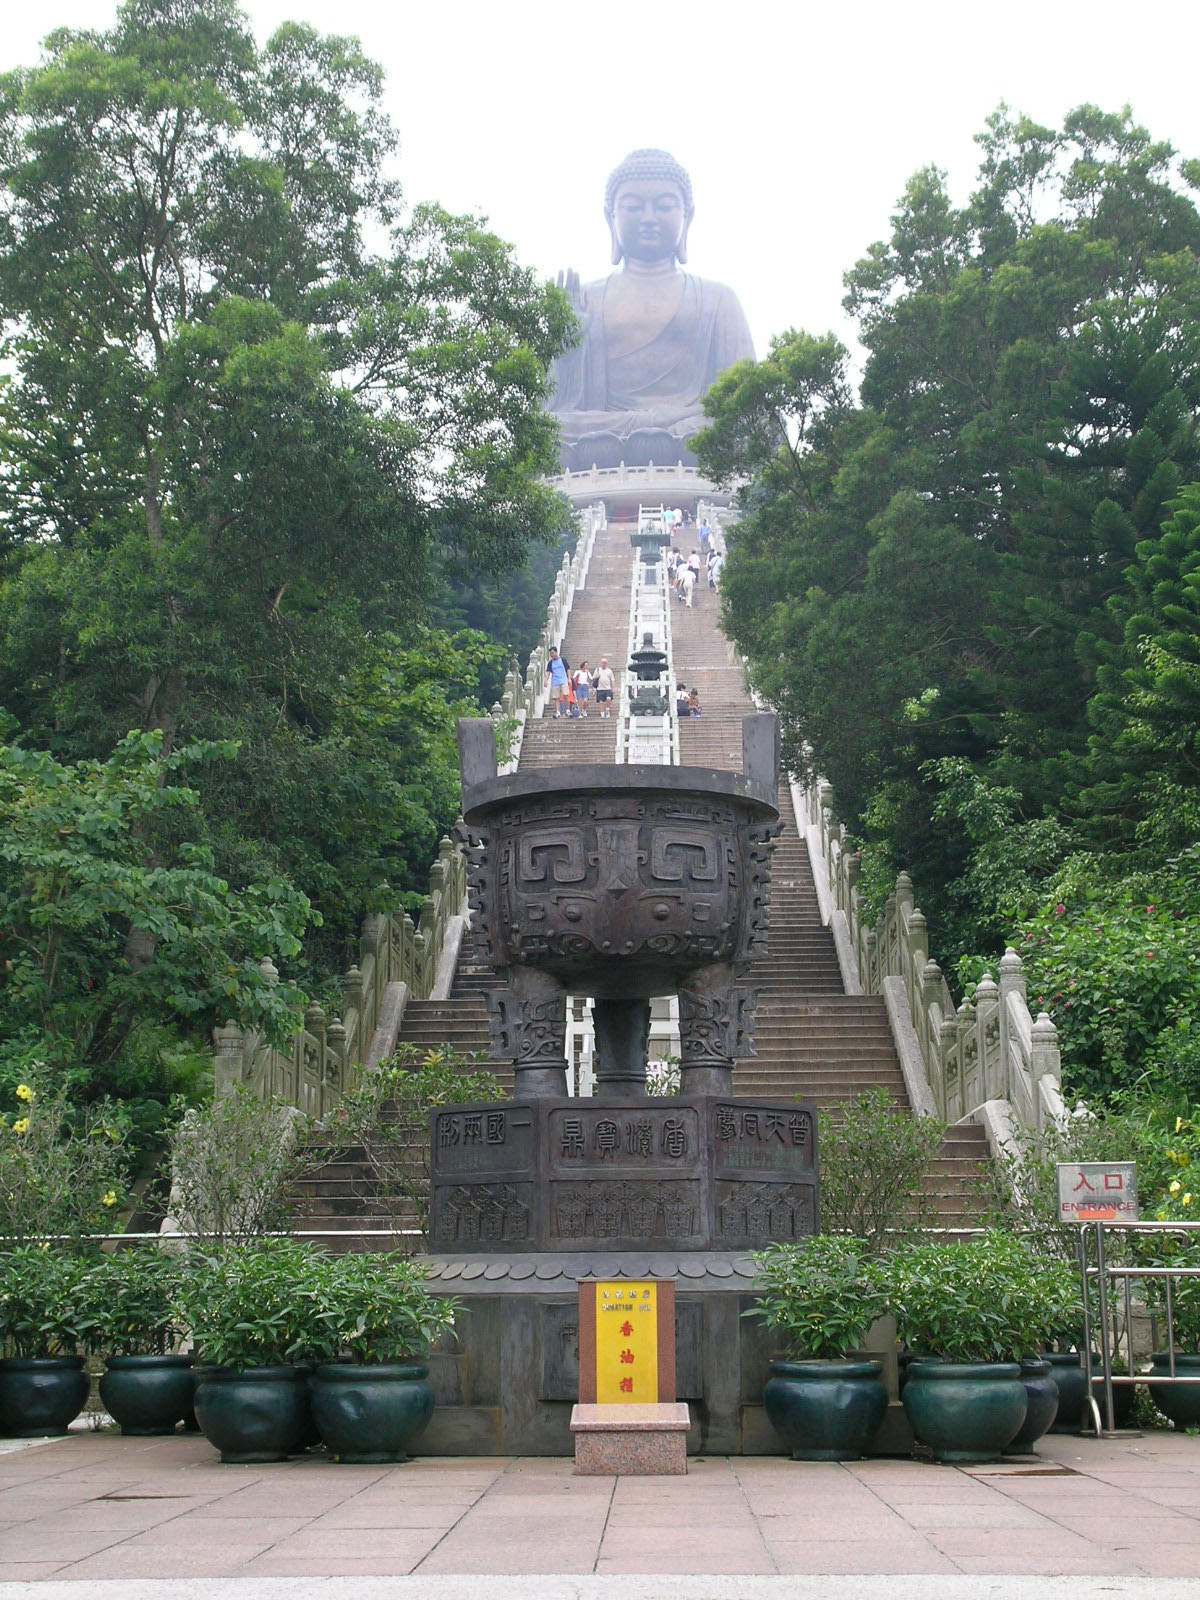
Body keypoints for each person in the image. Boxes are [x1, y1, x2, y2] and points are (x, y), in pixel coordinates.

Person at [548, 149, 755, 470]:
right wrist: (567, 345)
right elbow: (553, 404)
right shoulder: (587, 297)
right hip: (603, 432)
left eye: (664, 206)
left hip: (688, 428)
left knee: (753, 427)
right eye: (632, 206)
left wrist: (670, 417)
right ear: (610, 216)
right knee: (545, 432)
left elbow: (744, 403)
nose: (648, 218)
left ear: (688, 216)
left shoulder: (719, 299)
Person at [545, 646, 569, 717]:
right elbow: (548, 673)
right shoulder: (550, 663)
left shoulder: (563, 660)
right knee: (556, 698)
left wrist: (569, 678)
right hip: (555, 681)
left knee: (565, 695)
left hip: (563, 680)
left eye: (552, 653)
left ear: (556, 652)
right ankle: (558, 712)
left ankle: (567, 710)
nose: (551, 655)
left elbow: (568, 669)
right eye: (550, 654)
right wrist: (546, 681)